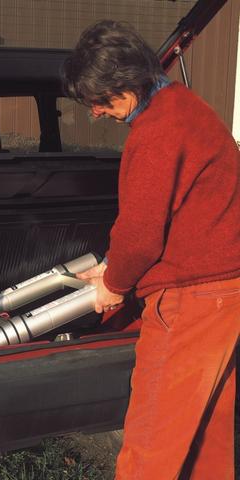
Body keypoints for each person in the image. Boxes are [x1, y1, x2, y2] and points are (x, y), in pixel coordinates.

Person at [62, 20, 240, 479]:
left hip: (190, 301)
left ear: (126, 82)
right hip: (226, 294)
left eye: (100, 100)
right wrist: (109, 266)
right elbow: (176, 212)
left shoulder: (157, 131)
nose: (96, 112)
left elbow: (142, 233)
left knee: (151, 443)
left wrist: (114, 284)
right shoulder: (187, 107)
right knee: (207, 437)